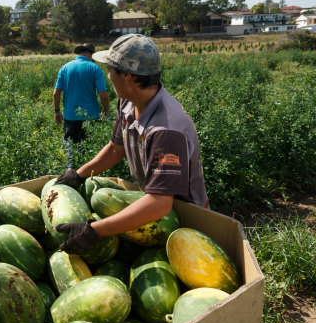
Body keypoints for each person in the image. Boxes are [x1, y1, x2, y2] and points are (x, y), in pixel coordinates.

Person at [54, 34, 209, 255]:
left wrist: (94, 231)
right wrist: (79, 174)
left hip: (180, 218)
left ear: (127, 75)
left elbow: (161, 203)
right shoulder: (128, 101)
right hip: (148, 205)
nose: (108, 76)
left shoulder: (166, 129)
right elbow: (116, 148)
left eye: (110, 70)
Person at [53, 43, 110, 167]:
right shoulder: (95, 69)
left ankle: (71, 172)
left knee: (70, 147)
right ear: (92, 55)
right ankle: (89, 176)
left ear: (80, 53)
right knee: (90, 150)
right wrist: (106, 110)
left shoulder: (65, 68)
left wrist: (57, 111)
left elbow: (56, 93)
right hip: (91, 117)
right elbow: (103, 94)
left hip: (70, 117)